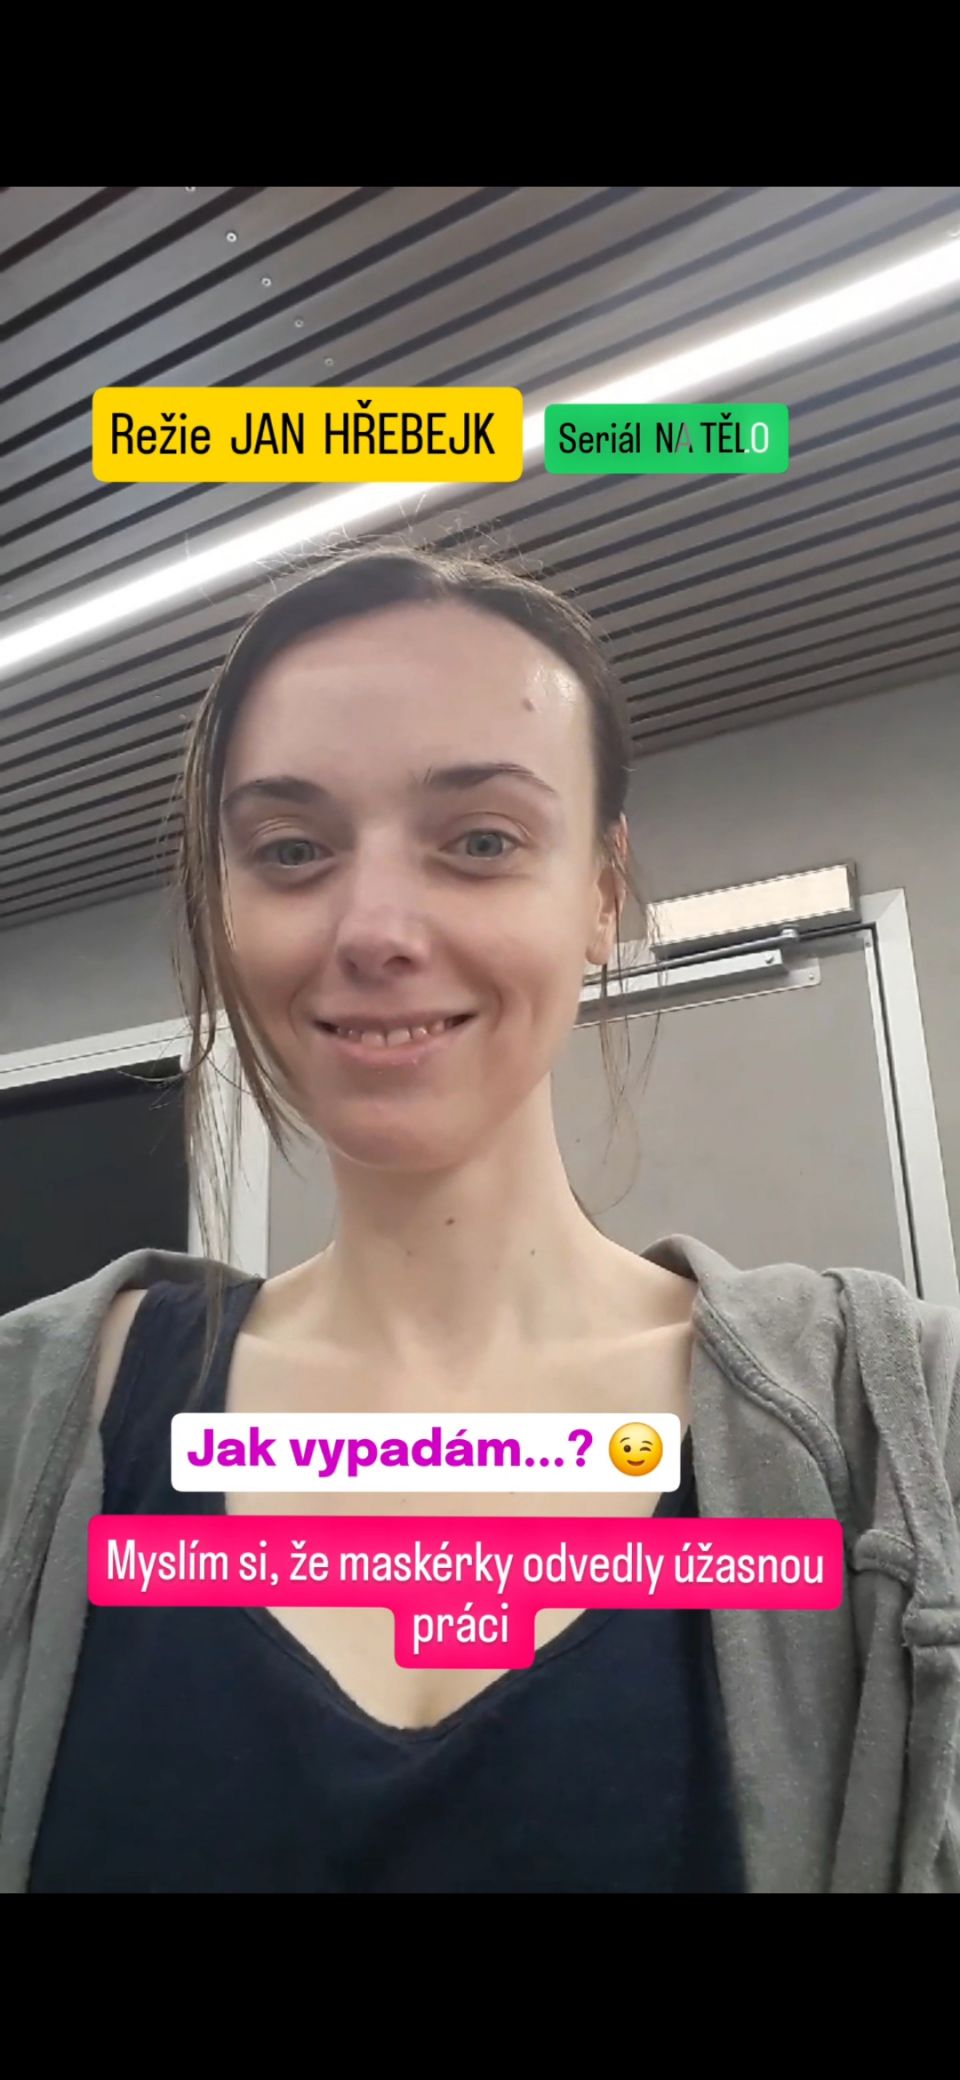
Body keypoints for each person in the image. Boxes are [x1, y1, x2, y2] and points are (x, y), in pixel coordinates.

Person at [1, 545, 959, 1895]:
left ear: (600, 898)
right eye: (291, 850)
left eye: (482, 842)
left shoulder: (900, 1426)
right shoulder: (37, 1424)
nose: (376, 928)